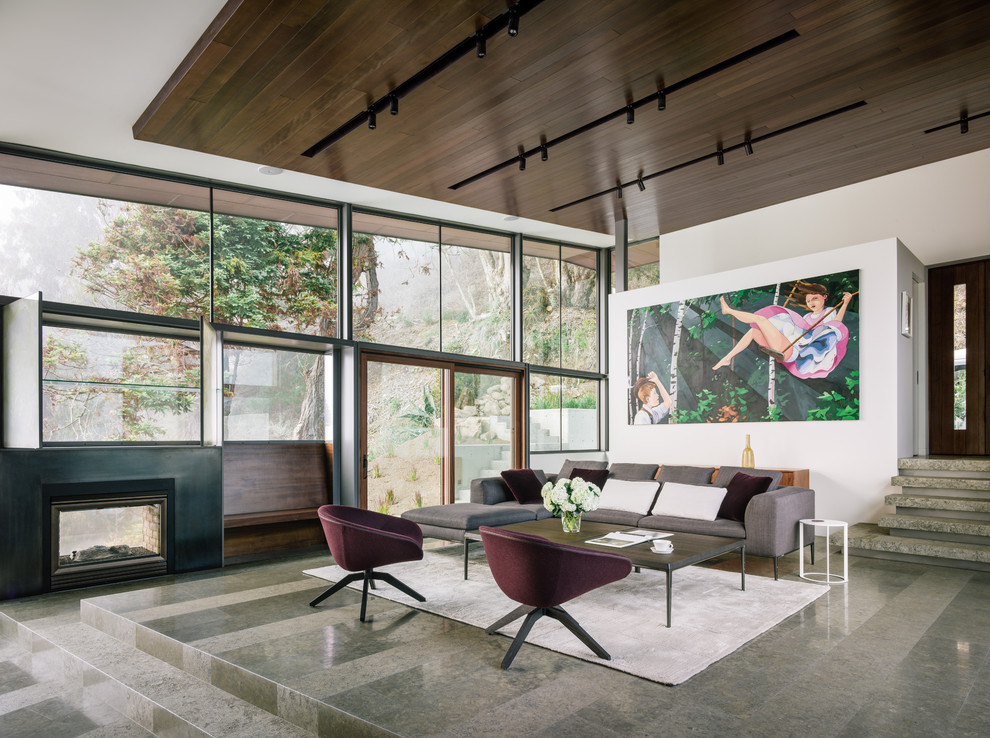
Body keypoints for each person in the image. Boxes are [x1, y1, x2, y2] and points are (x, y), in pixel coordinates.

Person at [713, 283, 854, 379]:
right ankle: (727, 358)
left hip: (802, 354)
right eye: (808, 300)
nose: (811, 302)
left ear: (825, 297)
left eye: (815, 298)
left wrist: (845, 304)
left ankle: (729, 311)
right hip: (790, 347)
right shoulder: (806, 317)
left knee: (761, 320)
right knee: (754, 332)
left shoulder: (830, 311)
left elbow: (836, 325)